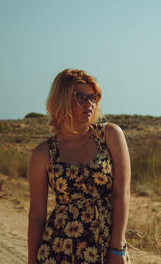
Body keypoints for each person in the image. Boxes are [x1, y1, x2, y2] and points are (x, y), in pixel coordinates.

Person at [28, 69, 131, 264]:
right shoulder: (43, 153)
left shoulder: (110, 135)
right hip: (58, 247)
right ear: (62, 100)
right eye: (81, 97)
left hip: (105, 241)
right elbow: (36, 216)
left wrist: (117, 248)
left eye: (93, 97)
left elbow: (122, 193)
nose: (89, 103)